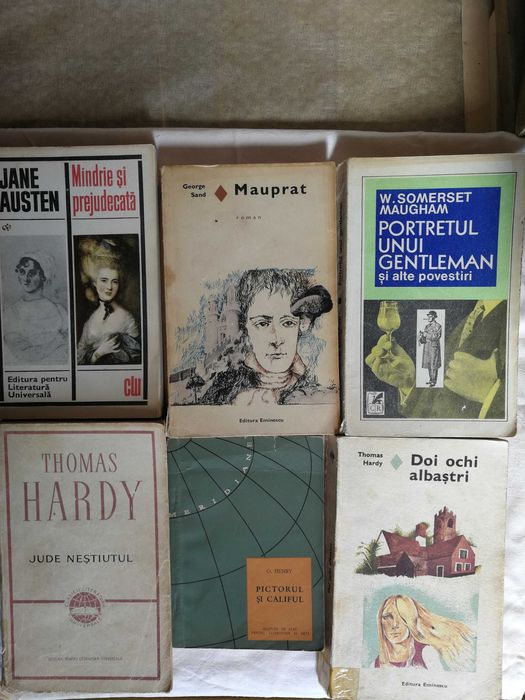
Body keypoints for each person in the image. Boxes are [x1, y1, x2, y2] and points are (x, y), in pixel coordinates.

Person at [201, 268, 333, 405]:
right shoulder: (223, 393)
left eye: (287, 323)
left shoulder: (317, 395)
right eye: (262, 324)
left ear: (303, 323)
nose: (276, 340)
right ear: (245, 327)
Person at [365, 300, 506, 419]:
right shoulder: (474, 314)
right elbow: (441, 407)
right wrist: (410, 383)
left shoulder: (509, 316)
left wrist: (490, 394)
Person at [76, 244, 140, 365]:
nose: (109, 287)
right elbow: (79, 359)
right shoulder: (90, 321)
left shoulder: (127, 318)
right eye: (104, 280)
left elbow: (136, 358)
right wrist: (98, 353)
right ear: (94, 283)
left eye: (114, 281)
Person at [375, 595, 474, 671]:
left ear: (411, 622)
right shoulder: (376, 663)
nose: (394, 625)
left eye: (402, 618)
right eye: (387, 617)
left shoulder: (426, 653)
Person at [3, 252, 68, 365]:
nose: (25, 279)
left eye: (32, 273)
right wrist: (57, 341)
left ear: (43, 276)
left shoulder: (59, 310)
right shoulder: (11, 313)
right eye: (22, 272)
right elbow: (24, 355)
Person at [418, 310, 442, 387]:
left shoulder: (438, 326)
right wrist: (421, 336)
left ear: (434, 317)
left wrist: (426, 334)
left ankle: (434, 381)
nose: (428, 317)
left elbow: (436, 337)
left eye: (430, 316)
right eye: (428, 316)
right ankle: (431, 379)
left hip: (434, 347)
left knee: (433, 364)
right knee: (428, 364)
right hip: (427, 347)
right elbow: (424, 339)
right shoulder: (427, 326)